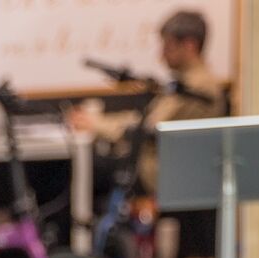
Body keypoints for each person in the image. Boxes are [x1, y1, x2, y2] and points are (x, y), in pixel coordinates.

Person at [73, 10, 231, 196]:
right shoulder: (188, 82)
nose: (161, 55)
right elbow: (145, 118)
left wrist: (97, 124)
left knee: (84, 167)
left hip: (160, 173)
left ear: (190, 45)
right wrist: (98, 121)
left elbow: (147, 128)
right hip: (162, 169)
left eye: (168, 46)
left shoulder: (198, 87)